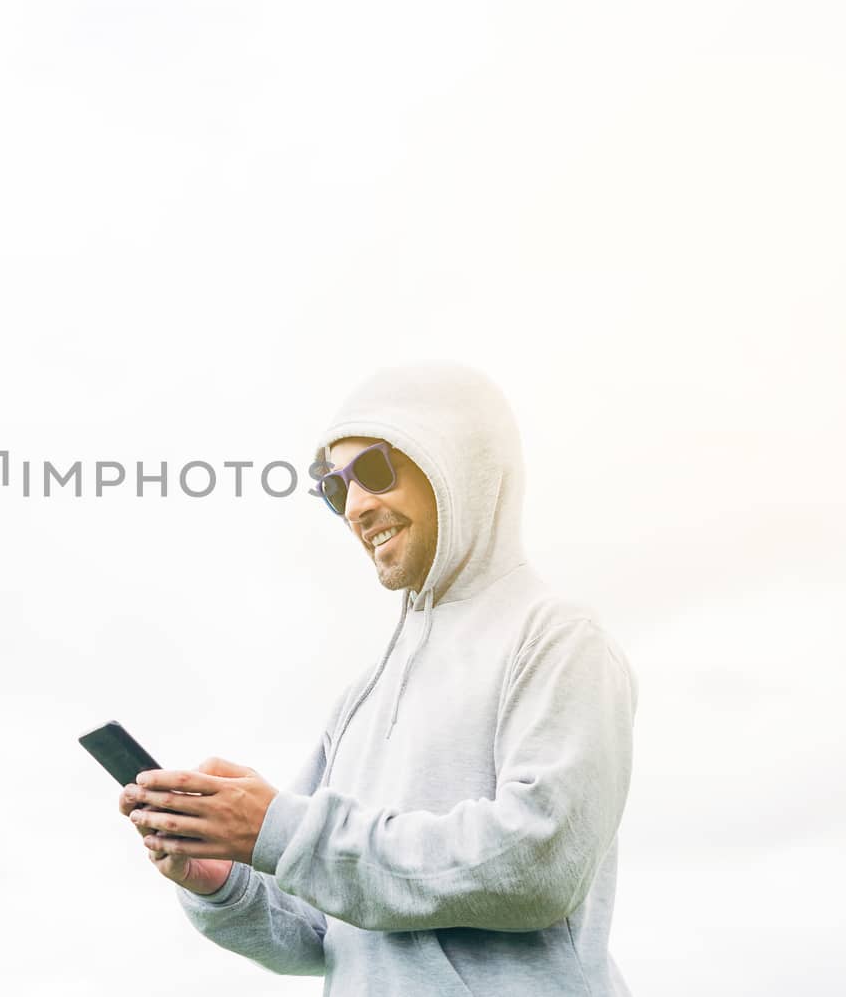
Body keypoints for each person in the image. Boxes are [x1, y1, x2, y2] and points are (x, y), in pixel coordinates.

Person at [117, 360, 638, 995]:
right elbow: (318, 931)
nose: (356, 507)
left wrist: (281, 830)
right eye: (336, 489)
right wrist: (221, 881)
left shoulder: (558, 639)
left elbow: (538, 865)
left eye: (374, 471)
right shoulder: (360, 700)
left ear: (458, 462)